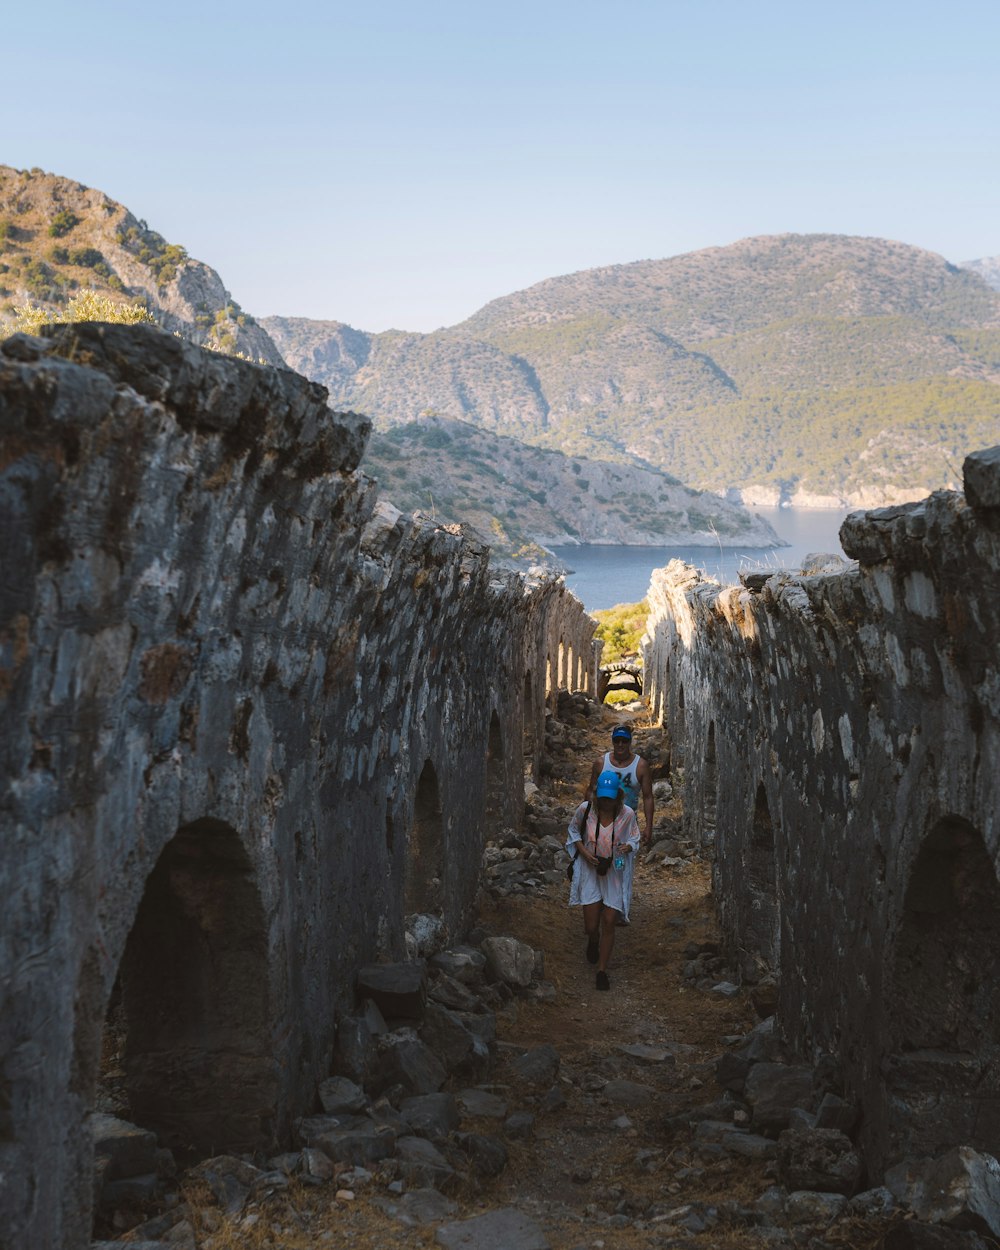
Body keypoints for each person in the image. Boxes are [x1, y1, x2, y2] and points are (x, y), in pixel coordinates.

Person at [565, 770, 640, 990]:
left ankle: (601, 971)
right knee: (591, 926)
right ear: (598, 795)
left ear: (618, 795)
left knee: (609, 920)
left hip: (614, 872)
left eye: (611, 797)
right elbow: (573, 832)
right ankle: (593, 940)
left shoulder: (627, 814)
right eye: (603, 797)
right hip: (590, 870)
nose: (607, 802)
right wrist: (585, 854)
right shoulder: (585, 809)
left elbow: (634, 837)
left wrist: (629, 846)